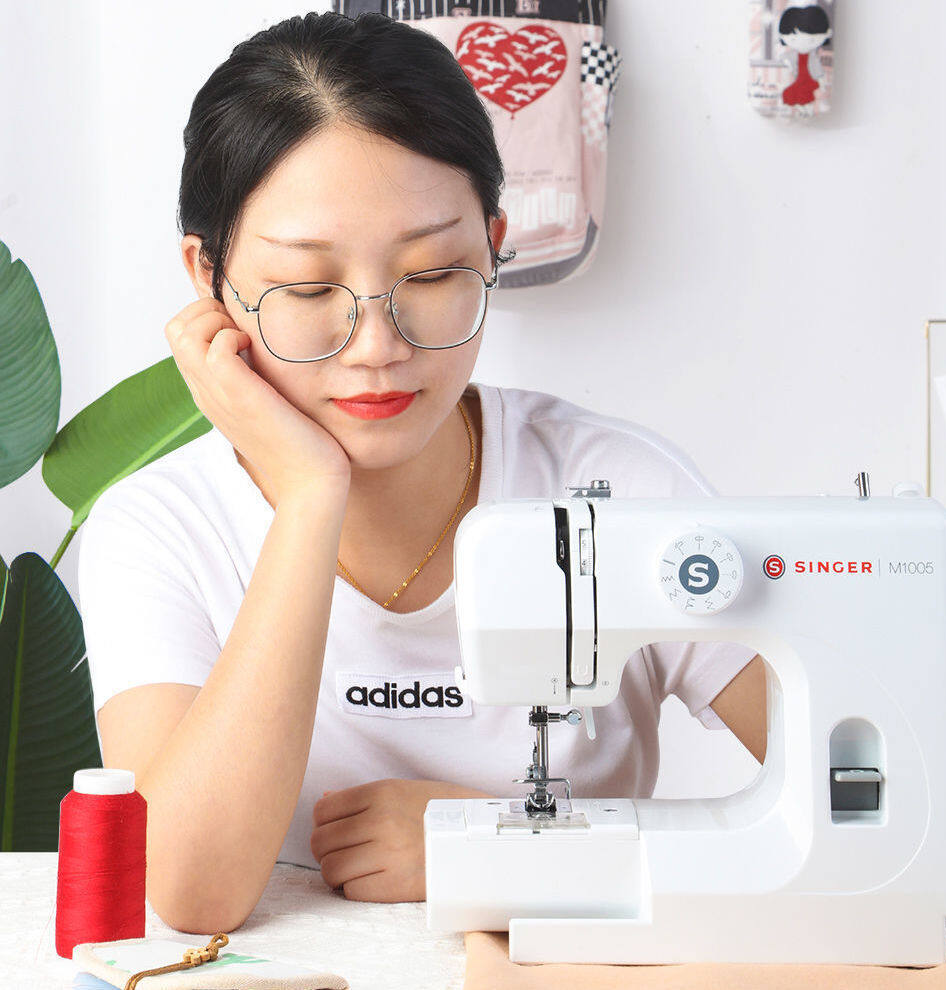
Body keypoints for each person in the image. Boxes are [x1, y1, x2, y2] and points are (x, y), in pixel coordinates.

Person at [78, 11, 767, 935]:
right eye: (309, 289)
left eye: (436, 273)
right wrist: (309, 498)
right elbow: (193, 891)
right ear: (208, 276)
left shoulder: (621, 491)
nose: (377, 346)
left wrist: (500, 847)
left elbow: (877, 806)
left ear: (492, 243)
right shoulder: (159, 528)